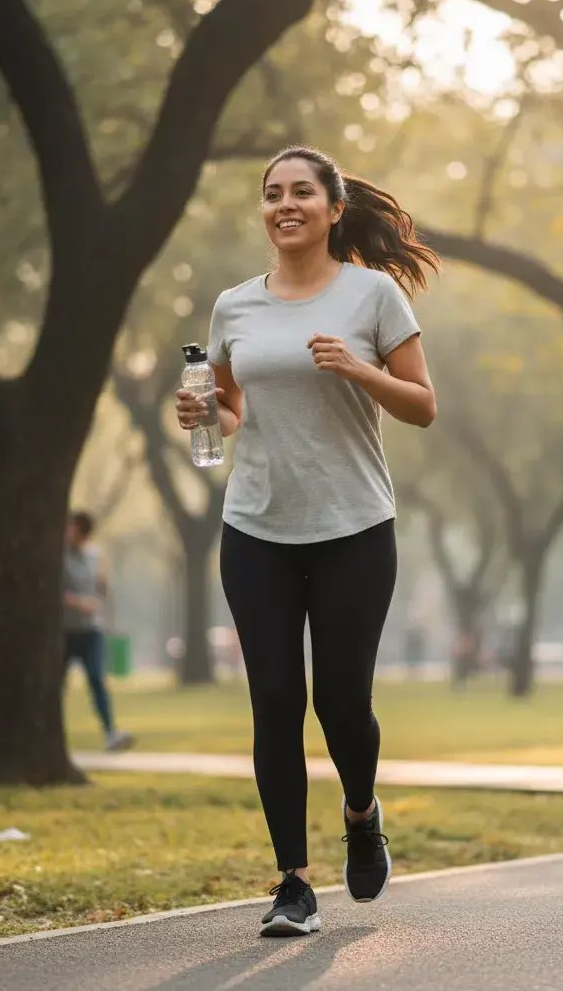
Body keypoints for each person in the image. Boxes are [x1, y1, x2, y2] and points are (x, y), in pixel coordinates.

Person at [175, 146, 438, 937]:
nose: (284, 205)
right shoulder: (233, 307)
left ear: (332, 207)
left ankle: (361, 813)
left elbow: (423, 406)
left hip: (353, 526)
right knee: (275, 703)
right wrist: (201, 417)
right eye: (271, 194)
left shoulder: (373, 294)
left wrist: (358, 371)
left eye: (300, 193)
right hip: (255, 526)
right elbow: (228, 410)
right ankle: (292, 882)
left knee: (342, 704)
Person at [62, 511, 133, 752]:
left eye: (74, 529)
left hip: (91, 629)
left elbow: (101, 587)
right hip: (63, 631)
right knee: (56, 684)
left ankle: (111, 732)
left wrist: (98, 604)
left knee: (96, 679)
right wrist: (75, 602)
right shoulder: (57, 556)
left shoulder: (94, 555)